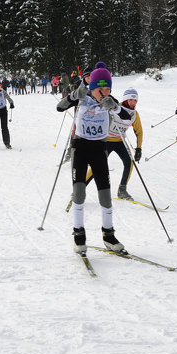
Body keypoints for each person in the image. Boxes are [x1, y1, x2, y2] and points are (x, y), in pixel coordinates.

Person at [64, 63, 127, 254]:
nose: (107, 92)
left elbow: (125, 115)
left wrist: (115, 107)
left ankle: (108, 235)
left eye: (109, 88)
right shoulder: (82, 95)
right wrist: (73, 96)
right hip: (81, 147)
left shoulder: (109, 100)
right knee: (79, 192)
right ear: (94, 87)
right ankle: (79, 234)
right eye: (104, 89)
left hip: (100, 148)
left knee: (105, 195)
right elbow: (60, 107)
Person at [83, 87, 143, 201]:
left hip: (120, 141)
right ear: (125, 100)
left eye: (135, 100)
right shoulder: (113, 106)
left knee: (129, 163)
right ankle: (80, 188)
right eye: (130, 100)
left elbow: (139, 132)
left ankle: (122, 190)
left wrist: (139, 148)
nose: (133, 103)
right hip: (106, 141)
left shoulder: (135, 114)